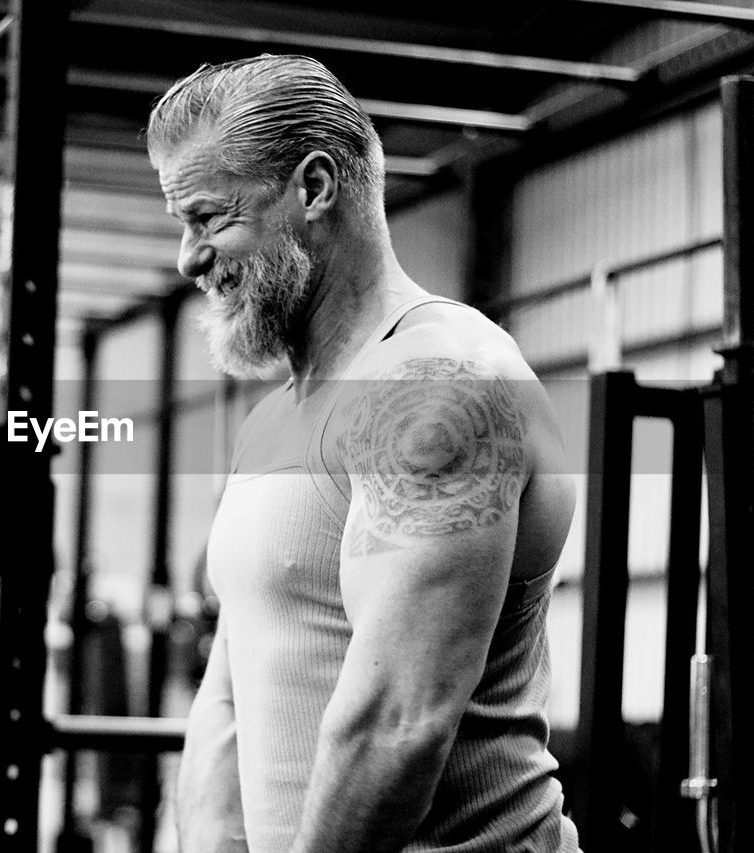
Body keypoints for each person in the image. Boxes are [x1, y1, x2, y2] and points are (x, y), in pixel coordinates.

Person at [146, 55, 580, 853]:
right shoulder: (276, 416)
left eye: (208, 218)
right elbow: (225, 700)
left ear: (313, 189)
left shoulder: (438, 383)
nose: (188, 258)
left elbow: (397, 722)